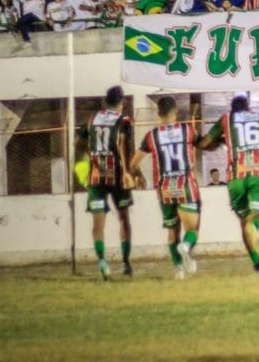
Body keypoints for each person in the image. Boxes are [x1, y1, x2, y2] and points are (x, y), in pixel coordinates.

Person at [198, 95, 259, 275]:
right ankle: (254, 229)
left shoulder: (226, 120)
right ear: (248, 107)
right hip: (258, 177)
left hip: (236, 178)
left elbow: (204, 143)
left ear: (232, 109)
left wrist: (221, 141)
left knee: (244, 222)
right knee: (257, 219)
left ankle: (257, 263)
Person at [129, 95, 202, 280]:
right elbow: (202, 144)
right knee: (192, 229)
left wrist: (139, 176)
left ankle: (178, 269)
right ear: (175, 111)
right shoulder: (187, 130)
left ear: (158, 113)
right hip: (185, 185)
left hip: (164, 188)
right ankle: (185, 247)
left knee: (172, 231)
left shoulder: (151, 136)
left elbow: (133, 164)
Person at [80, 85, 137, 280]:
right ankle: (125, 263)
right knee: (124, 219)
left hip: (96, 177)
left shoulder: (91, 118)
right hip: (117, 177)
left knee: (98, 223)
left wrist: (91, 156)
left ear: (106, 100)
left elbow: (80, 144)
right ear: (121, 102)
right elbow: (122, 146)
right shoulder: (123, 120)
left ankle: (103, 262)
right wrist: (128, 172)